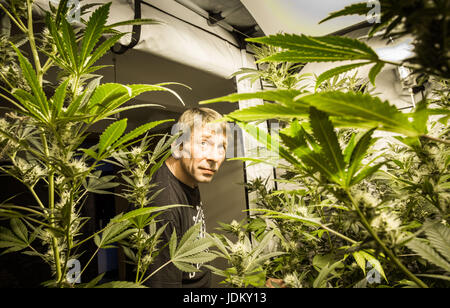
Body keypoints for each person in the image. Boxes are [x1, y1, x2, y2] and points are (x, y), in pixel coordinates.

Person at [145, 107, 228, 288]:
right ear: (177, 146)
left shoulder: (188, 179)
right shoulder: (163, 206)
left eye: (221, 147)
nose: (214, 157)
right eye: (204, 143)